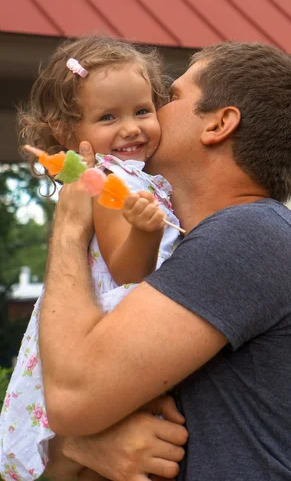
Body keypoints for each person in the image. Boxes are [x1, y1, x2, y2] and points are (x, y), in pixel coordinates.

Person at [40, 42, 291, 481]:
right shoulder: (203, 247)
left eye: (170, 98)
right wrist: (79, 447)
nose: (150, 115)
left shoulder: (250, 237)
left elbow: (70, 398)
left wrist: (71, 229)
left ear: (219, 124)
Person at [0, 36, 185, 481]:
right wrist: (147, 231)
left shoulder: (145, 180)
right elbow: (127, 271)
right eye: (108, 117)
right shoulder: (104, 182)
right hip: (101, 332)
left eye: (142, 111)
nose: (131, 128)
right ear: (67, 133)